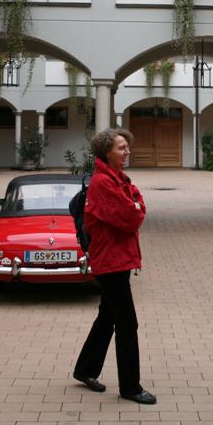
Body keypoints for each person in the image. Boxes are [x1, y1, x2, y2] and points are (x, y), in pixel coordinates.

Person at [72, 128, 156, 405]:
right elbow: (130, 218)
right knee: (127, 323)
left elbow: (136, 202)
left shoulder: (117, 178)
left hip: (118, 258)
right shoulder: (103, 183)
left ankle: (85, 369)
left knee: (107, 316)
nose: (127, 151)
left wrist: (134, 203)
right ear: (106, 152)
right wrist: (134, 205)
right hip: (109, 261)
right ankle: (130, 387)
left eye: (127, 147)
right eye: (121, 148)